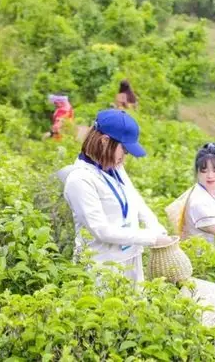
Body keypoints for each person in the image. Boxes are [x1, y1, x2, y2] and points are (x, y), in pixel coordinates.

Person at [57, 109, 173, 283]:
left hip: (131, 256)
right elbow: (101, 231)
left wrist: (156, 227)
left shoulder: (114, 167)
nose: (124, 157)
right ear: (105, 141)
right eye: (124, 150)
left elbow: (134, 198)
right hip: (102, 267)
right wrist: (151, 238)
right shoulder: (80, 179)